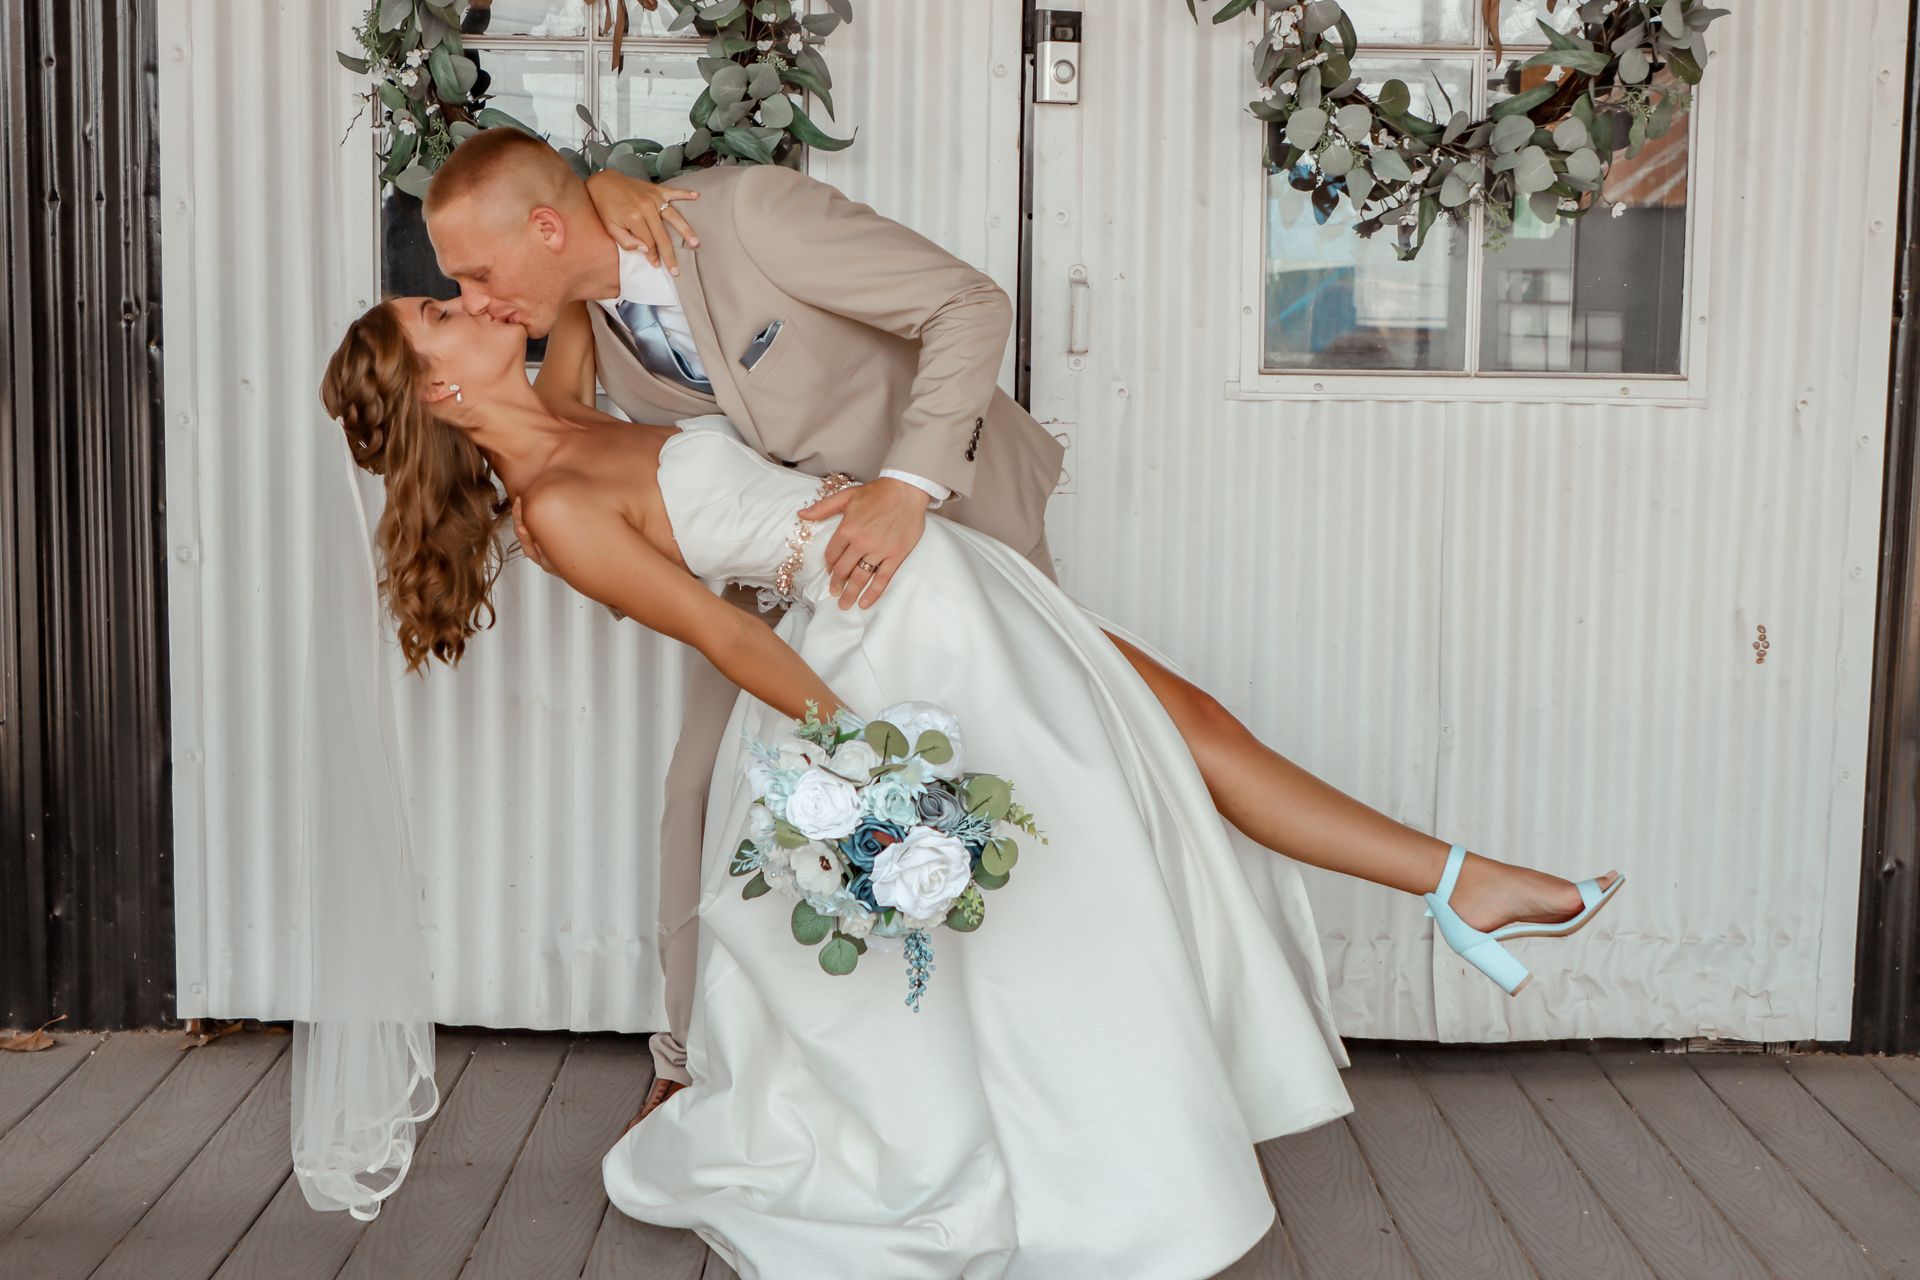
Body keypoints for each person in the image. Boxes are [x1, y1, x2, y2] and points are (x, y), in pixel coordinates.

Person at [318, 286, 1623, 1276]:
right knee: (1107, 831)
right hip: (888, 641)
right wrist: (861, 746)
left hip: (934, 574)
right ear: (434, 388)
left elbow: (570, 280)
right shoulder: (549, 499)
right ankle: (1135, 1124)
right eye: (442, 309)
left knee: (1189, 732)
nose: (470, 298)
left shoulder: (575, 408)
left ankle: (1464, 880)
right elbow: (722, 631)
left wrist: (542, 274)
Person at [415, 130, 1622, 1127]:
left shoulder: (745, 218)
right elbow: (557, 409)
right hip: (797, 591)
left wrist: (909, 484)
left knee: (1130, 746)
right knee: (700, 797)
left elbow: (966, 301)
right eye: (452, 296)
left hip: (950, 528)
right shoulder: (579, 328)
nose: (473, 299)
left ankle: (1432, 896)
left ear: (548, 227)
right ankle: (689, 1065)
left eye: (472, 274)